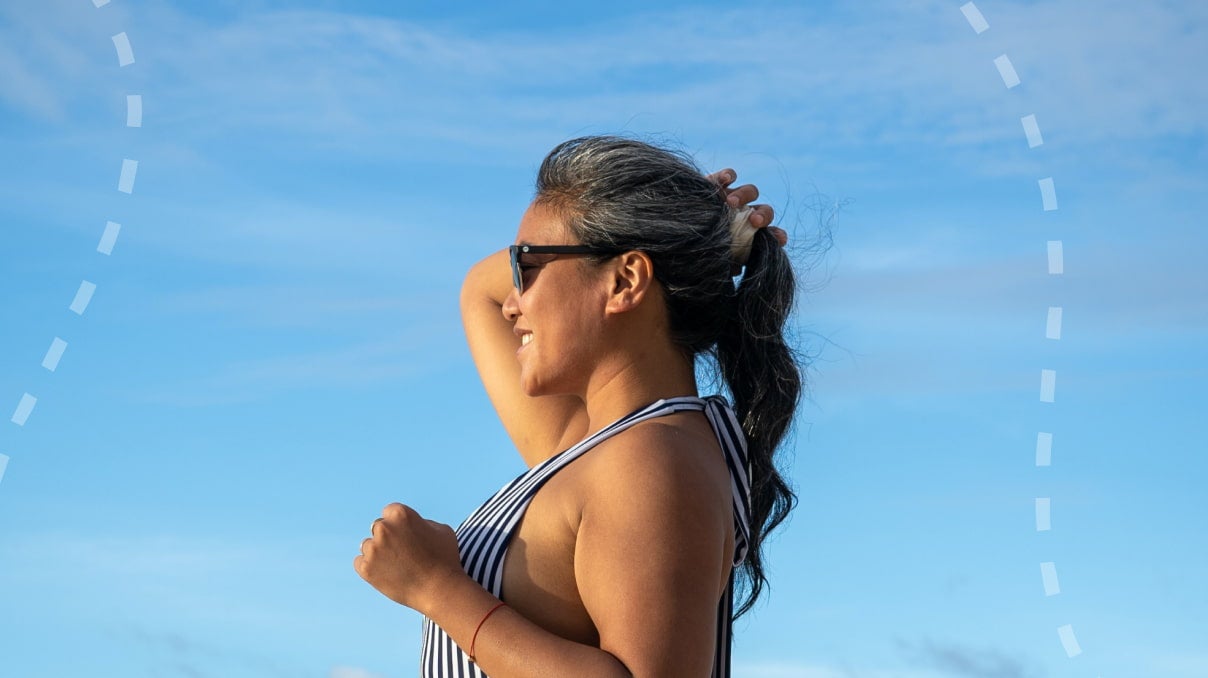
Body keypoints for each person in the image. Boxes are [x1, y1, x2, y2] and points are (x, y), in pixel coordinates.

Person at [354, 135, 801, 677]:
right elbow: (481, 290)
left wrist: (438, 590)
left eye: (531, 266)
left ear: (624, 281)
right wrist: (684, 231)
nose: (515, 299)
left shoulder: (647, 462)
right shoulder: (590, 447)